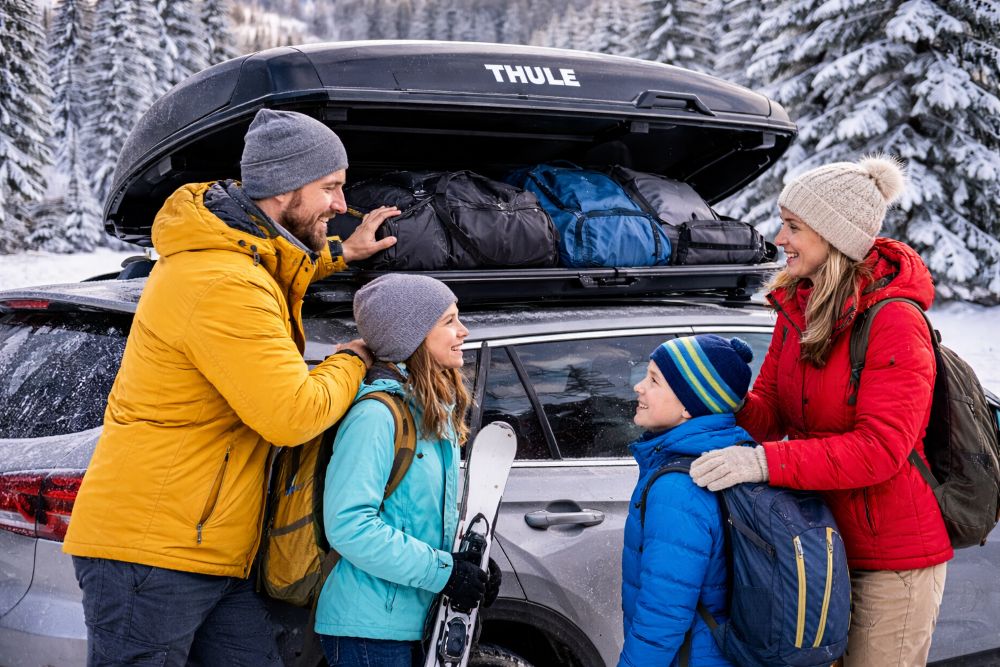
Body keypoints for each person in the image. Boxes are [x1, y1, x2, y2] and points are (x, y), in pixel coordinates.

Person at [63, 109, 401, 666]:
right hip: (157, 552)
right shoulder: (225, 283)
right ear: (285, 187)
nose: (342, 206)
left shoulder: (235, 258)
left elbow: (277, 262)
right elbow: (292, 415)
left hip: (208, 546)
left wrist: (340, 255)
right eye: (331, 187)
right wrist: (354, 356)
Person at [689, 155, 951, 667]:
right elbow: (770, 410)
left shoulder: (895, 321)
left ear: (835, 237)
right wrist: (714, 396)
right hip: (814, 548)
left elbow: (880, 451)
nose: (780, 239)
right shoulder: (797, 306)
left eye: (793, 228)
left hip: (889, 563)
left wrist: (765, 463)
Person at [315, 273, 499, 667]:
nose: (463, 331)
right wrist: (445, 573)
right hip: (369, 632)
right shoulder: (376, 417)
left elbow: (418, 519)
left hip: (421, 624)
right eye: (448, 321)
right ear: (411, 335)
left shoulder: (434, 415)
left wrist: (472, 566)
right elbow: (349, 525)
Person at [619, 334, 755, 667]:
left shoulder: (680, 488)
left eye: (654, 380)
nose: (639, 387)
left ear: (688, 406)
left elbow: (662, 615)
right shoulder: (734, 454)